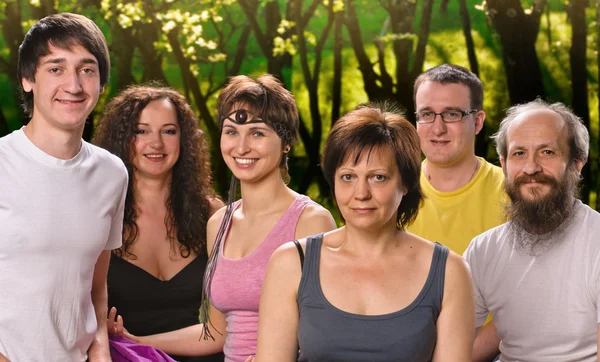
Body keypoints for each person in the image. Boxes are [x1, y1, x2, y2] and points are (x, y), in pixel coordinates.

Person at [109, 74, 336, 362]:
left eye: (258, 133)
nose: (241, 147)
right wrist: (136, 340)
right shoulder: (219, 222)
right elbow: (217, 333)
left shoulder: (312, 221)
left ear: (286, 141)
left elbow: (329, 331)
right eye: (231, 132)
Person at [250, 103, 475, 361]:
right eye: (347, 177)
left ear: (405, 182)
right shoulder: (290, 263)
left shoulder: (449, 272)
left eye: (378, 177)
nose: (361, 194)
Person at [0, 13, 127, 361]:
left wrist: (100, 347)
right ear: (28, 79)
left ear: (101, 84)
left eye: (87, 70)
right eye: (56, 69)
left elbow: (94, 285)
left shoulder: (112, 173)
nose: (73, 85)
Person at [93, 84, 224, 362]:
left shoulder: (212, 213)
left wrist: (139, 340)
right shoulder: (96, 213)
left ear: (184, 139)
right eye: (141, 131)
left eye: (169, 131)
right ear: (122, 138)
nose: (156, 143)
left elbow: (221, 331)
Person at [464, 99, 600, 361]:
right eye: (519, 154)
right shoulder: (483, 250)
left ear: (577, 164)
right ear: (503, 164)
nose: (531, 168)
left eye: (547, 152)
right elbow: (458, 348)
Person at [408, 64, 506, 359]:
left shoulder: (513, 194)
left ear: (477, 122)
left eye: (452, 114)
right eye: (427, 115)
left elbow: (525, 302)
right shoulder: (392, 193)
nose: (438, 128)